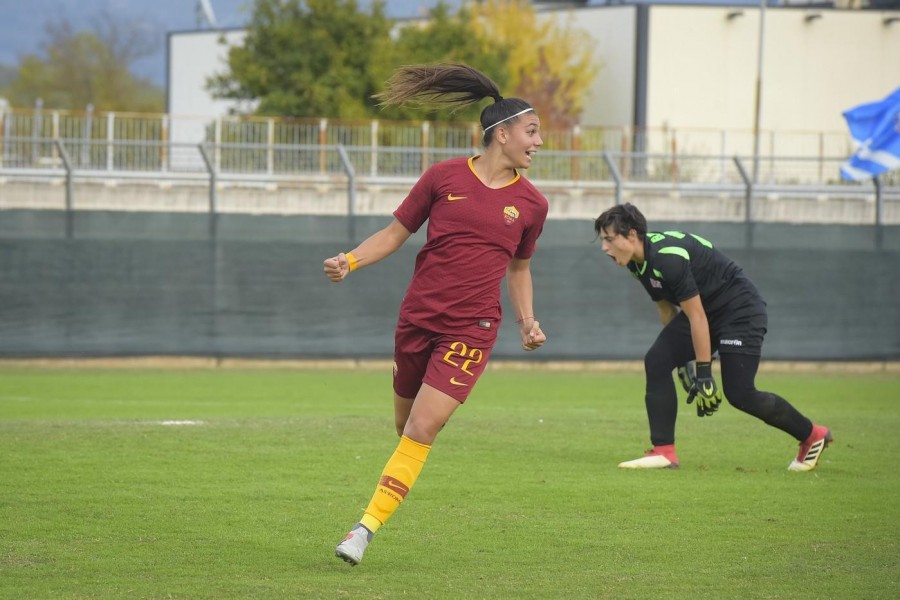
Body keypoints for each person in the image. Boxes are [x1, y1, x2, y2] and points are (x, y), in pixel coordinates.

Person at [323, 63, 548, 566]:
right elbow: (394, 234)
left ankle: (364, 529)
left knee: (423, 428)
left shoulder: (532, 205)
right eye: (531, 132)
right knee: (405, 426)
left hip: (473, 328)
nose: (538, 143)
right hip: (417, 320)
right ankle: (391, 490)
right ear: (502, 133)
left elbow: (520, 268)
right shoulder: (442, 177)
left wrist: (526, 321)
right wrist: (350, 260)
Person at [593, 203, 832, 472]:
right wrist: (682, 362)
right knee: (658, 360)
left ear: (632, 234)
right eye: (603, 240)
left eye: (609, 239)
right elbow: (667, 310)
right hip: (706, 312)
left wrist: (704, 371)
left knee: (740, 393)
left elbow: (696, 316)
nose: (604, 248)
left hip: (739, 311)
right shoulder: (637, 264)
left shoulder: (667, 257)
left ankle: (813, 435)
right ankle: (664, 451)